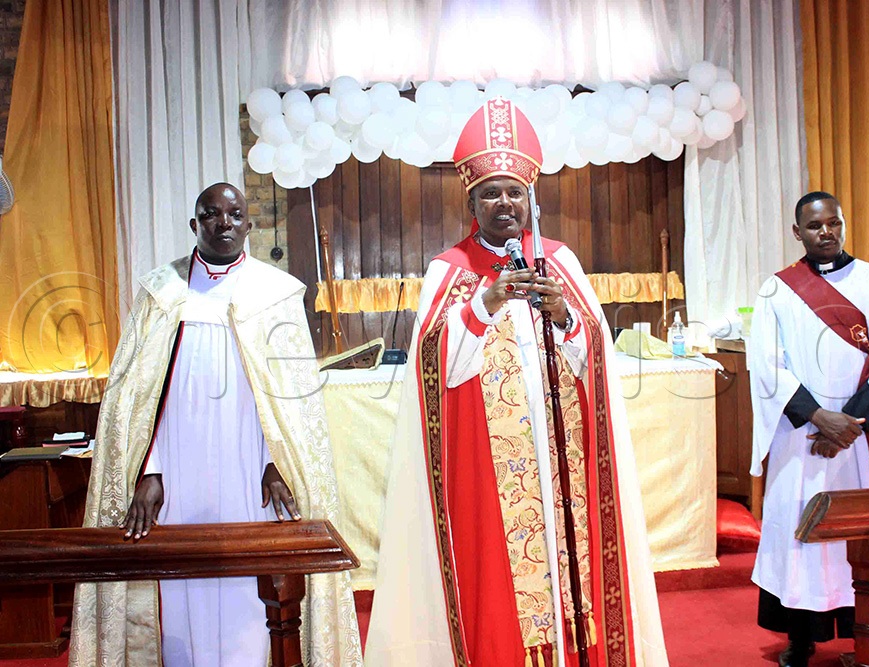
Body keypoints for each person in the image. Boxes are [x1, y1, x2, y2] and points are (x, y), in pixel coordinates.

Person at [364, 97, 668, 667]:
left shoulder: (562, 262)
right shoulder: (449, 270)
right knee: (503, 590)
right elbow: (434, 367)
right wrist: (484, 303)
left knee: (569, 575)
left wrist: (566, 318)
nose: (503, 203)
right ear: (471, 202)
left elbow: (594, 357)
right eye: (490, 194)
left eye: (514, 192)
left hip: (564, 459)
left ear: (530, 198)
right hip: (488, 467)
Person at [68, 183, 362, 667]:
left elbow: (290, 400)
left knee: (248, 586)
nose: (223, 223)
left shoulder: (275, 293)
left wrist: (276, 462)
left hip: (250, 465)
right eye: (211, 214)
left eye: (234, 214)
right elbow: (138, 398)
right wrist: (150, 468)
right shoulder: (160, 294)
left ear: (249, 224)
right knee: (182, 587)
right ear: (195, 224)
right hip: (178, 467)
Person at [748, 191, 869, 667]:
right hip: (803, 439)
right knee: (802, 534)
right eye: (815, 225)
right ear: (797, 232)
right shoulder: (776, 291)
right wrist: (819, 417)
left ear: (843, 225)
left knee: (862, 533)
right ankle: (800, 639)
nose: (826, 232)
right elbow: (766, 365)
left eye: (834, 223)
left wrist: (850, 424)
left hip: (863, 438)